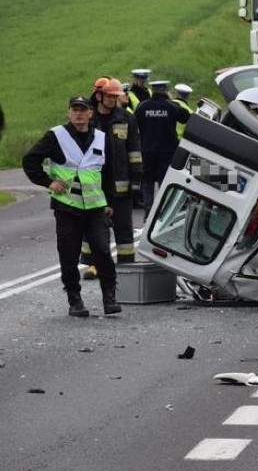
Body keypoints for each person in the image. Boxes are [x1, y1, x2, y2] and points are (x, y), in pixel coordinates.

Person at [22, 95, 121, 317]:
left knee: (103, 252)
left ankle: (110, 298)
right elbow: (30, 160)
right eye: (74, 110)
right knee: (69, 256)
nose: (78, 113)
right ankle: (75, 301)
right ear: (69, 113)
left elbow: (109, 171)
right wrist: (49, 182)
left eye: (82, 110)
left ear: (90, 113)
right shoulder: (56, 136)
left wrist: (110, 202)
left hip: (96, 208)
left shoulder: (101, 138)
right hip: (67, 208)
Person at [81, 77, 142, 279]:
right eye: (108, 96)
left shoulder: (126, 118)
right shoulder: (89, 120)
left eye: (115, 96)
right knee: (95, 227)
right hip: (95, 184)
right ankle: (95, 265)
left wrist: (136, 182)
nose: (112, 100)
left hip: (120, 184)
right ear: (98, 96)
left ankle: (126, 266)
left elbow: (134, 152)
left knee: (124, 228)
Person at [135, 80, 190, 217]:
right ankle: (165, 211)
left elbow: (135, 123)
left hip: (147, 150)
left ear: (152, 90)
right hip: (167, 151)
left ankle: (148, 211)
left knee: (147, 181)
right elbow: (186, 118)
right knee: (164, 181)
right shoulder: (172, 106)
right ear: (166, 90)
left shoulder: (142, 107)